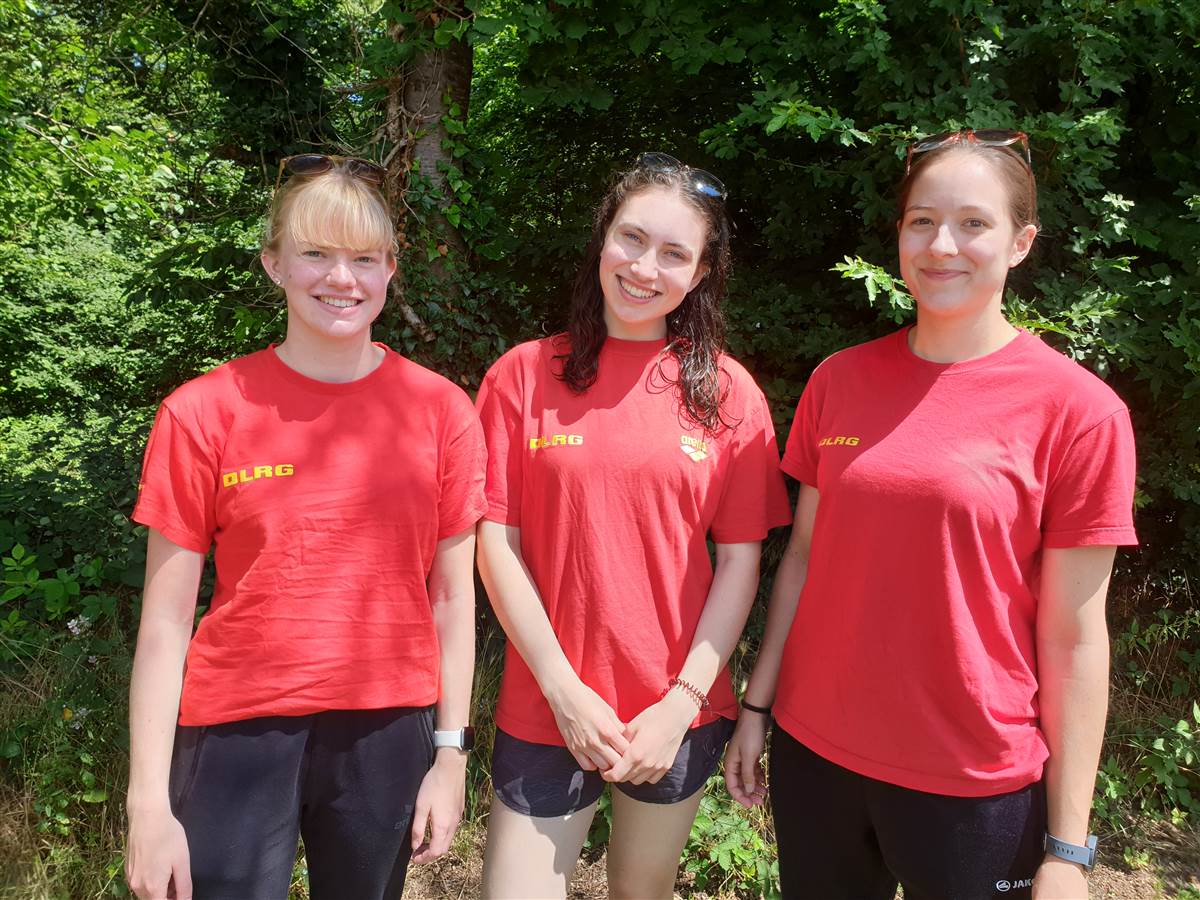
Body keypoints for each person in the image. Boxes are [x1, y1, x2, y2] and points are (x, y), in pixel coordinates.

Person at [726, 129, 1138, 900]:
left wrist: (1068, 850)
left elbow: (1077, 638)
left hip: (973, 780)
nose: (941, 244)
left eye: (973, 223)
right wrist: (758, 705)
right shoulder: (839, 380)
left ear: (1021, 242)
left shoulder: (1080, 413)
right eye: (920, 221)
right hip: (817, 756)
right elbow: (805, 562)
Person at [123, 154, 486, 900]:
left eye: (362, 258)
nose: (340, 279)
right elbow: (164, 623)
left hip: (388, 729)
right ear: (274, 264)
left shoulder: (443, 411)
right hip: (235, 728)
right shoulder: (201, 412)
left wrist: (451, 757)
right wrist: (147, 801)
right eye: (315, 254)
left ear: (390, 270)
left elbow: (454, 600)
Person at [475, 153, 791, 899]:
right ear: (602, 240)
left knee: (641, 892)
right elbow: (497, 544)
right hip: (547, 705)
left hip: (673, 711)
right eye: (632, 238)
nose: (646, 267)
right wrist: (562, 689)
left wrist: (680, 704)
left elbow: (741, 563)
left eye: (675, 253)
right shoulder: (522, 374)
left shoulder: (729, 395)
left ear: (703, 271)